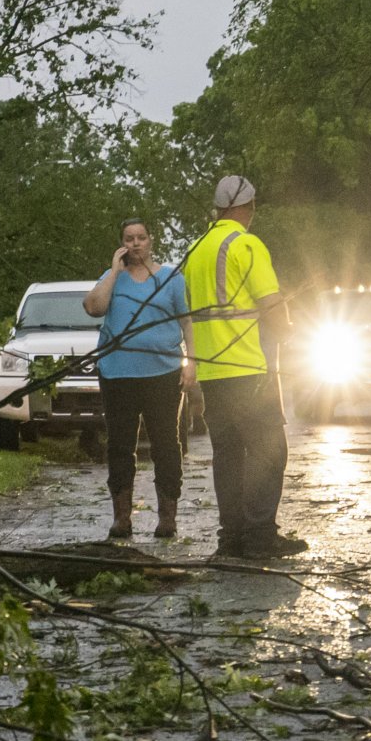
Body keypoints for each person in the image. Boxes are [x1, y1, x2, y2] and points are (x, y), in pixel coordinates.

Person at [180, 175, 306, 560]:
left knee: (229, 456)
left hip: (212, 371)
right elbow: (270, 303)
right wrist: (292, 332)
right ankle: (259, 537)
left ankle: (230, 539)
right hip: (250, 367)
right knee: (270, 451)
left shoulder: (196, 249)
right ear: (248, 207)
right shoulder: (246, 244)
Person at [82, 217, 191, 541]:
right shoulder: (111, 278)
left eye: (141, 237)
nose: (135, 244)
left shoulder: (170, 277)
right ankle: (122, 519)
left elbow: (186, 322)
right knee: (119, 445)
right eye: (129, 239)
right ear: (121, 244)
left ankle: (167, 519)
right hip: (118, 374)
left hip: (163, 372)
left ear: (151, 240)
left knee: (166, 445)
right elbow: (93, 307)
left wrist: (191, 364)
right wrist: (114, 271)